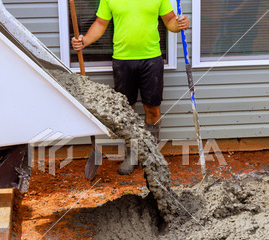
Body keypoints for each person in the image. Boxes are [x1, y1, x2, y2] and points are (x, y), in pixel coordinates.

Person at [72, 0, 189, 175]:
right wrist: (85, 41)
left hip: (151, 60)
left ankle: (151, 156)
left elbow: (170, 21)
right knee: (127, 111)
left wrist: (179, 24)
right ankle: (132, 155)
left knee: (153, 109)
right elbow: (100, 23)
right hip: (122, 61)